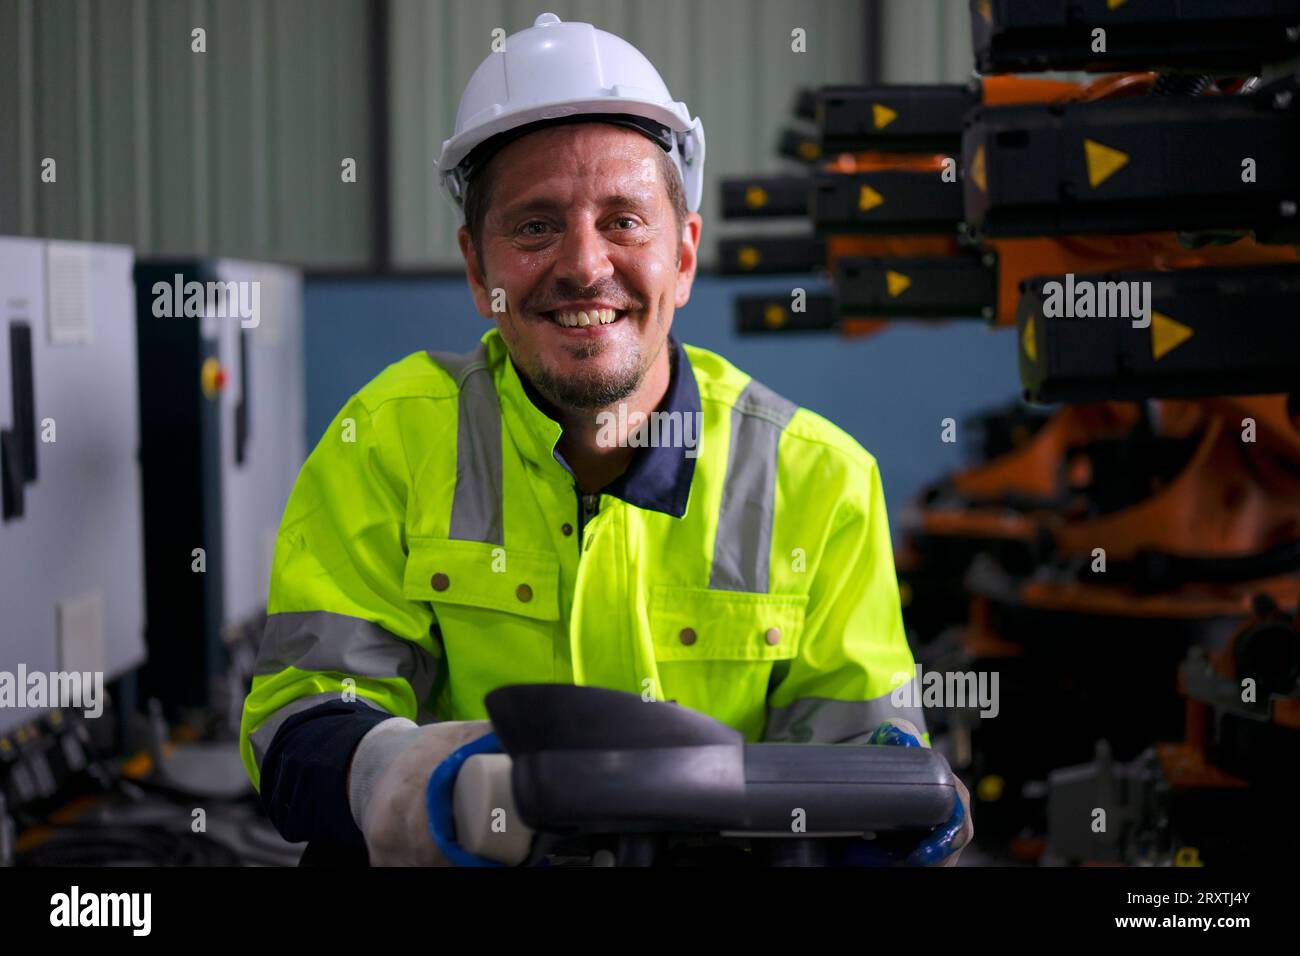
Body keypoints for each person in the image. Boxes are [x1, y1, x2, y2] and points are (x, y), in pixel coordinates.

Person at [239, 11, 972, 866]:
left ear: (685, 256)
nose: (584, 266)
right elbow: (301, 724)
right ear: (480, 270)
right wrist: (438, 792)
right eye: (535, 226)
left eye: (624, 220)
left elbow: (863, 753)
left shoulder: (818, 479)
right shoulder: (388, 440)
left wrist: (903, 810)